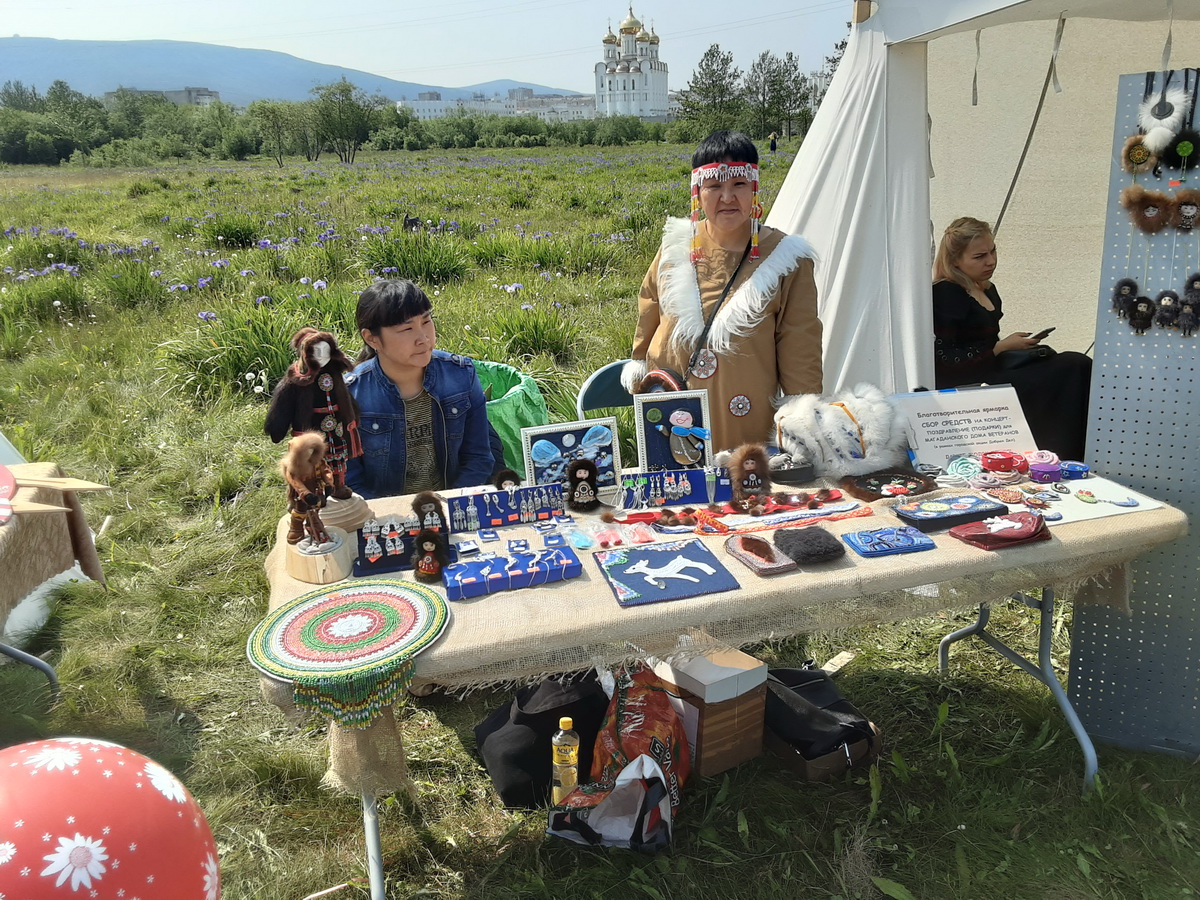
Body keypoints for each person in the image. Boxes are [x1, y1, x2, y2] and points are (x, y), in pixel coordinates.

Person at [621, 130, 823, 452]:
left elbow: (799, 337)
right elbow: (650, 304)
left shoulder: (787, 259)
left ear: (754, 188)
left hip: (746, 410)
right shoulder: (675, 247)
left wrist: (801, 406)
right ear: (698, 192)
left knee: (742, 476)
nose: (727, 197)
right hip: (672, 401)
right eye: (714, 186)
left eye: (739, 184)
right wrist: (639, 360)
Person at [932, 217, 1092, 460]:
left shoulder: (986, 288)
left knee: (1074, 364)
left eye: (993, 251)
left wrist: (1010, 346)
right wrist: (999, 348)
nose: (991, 261)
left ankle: (1075, 449)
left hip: (994, 367)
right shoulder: (946, 293)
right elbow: (945, 361)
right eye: (979, 256)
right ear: (955, 260)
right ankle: (1058, 451)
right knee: (1070, 369)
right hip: (972, 380)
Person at [344, 279, 500, 499]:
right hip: (384, 513)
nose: (423, 338)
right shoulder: (350, 395)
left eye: (426, 321)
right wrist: (392, 514)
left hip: (453, 504)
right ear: (372, 339)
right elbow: (349, 479)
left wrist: (449, 504)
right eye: (407, 329)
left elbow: (479, 457)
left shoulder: (461, 375)